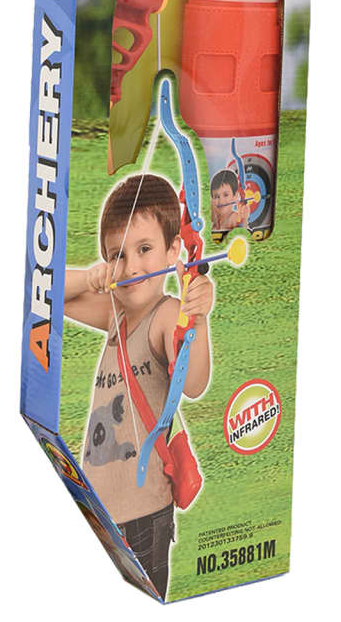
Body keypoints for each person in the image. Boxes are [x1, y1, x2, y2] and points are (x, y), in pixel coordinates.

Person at [65, 173, 214, 595]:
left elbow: (194, 382)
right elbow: (47, 291)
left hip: (143, 519)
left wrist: (196, 317)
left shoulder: (165, 314)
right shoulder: (116, 313)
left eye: (144, 249)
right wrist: (92, 278)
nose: (130, 267)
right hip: (99, 510)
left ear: (173, 251)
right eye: (118, 255)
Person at [210, 169, 247, 234]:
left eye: (226, 195)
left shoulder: (233, 217)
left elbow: (242, 231)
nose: (221, 201)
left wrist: (244, 220)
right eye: (216, 196)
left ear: (235, 196)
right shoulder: (216, 220)